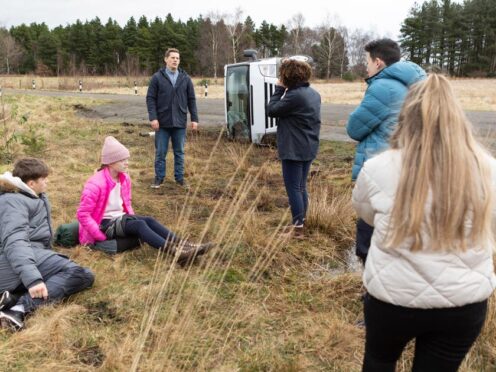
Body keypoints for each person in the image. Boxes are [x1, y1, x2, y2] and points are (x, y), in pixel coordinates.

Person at [352, 74, 496, 371]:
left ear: (405, 117)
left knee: (379, 361)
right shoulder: (488, 168)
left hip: (392, 299)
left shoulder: (378, 168)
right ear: (458, 117)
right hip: (463, 303)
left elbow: (365, 214)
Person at [346, 38, 426, 263]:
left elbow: (354, 128)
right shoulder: (413, 83)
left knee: (369, 230)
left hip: (380, 165)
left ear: (379, 62)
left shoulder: (383, 87)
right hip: (409, 163)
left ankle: (371, 284)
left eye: (367, 62)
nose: (366, 67)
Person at [77, 136, 212, 263]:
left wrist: (132, 220)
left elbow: (127, 204)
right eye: (123, 160)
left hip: (121, 218)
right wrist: (99, 235)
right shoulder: (95, 183)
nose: (127, 163)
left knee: (148, 220)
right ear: (111, 162)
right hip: (104, 224)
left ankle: (185, 245)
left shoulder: (124, 178)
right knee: (140, 226)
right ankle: (177, 253)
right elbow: (83, 214)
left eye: (127, 159)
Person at [0, 158, 95, 331]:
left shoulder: (32, 196)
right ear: (31, 183)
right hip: (11, 260)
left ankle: (11, 298)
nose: (47, 181)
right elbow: (15, 241)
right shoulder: (14, 202)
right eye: (44, 179)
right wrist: (33, 279)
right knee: (79, 274)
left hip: (28, 255)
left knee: (63, 273)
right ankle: (17, 310)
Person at [267, 59, 321, 238]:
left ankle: (297, 229)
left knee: (294, 188)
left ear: (287, 76)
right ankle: (302, 222)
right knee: (300, 186)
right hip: (308, 146)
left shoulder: (294, 95)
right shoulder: (313, 93)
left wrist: (279, 89)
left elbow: (272, 110)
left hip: (294, 149)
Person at [146, 48, 199, 188]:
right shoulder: (157, 78)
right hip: (162, 123)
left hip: (180, 123)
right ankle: (159, 178)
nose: (175, 60)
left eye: (177, 58)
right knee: (161, 153)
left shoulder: (185, 78)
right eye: (173, 57)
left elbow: (191, 100)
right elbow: (150, 99)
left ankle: (180, 178)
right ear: (166, 59)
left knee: (179, 152)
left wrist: (194, 119)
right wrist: (153, 118)